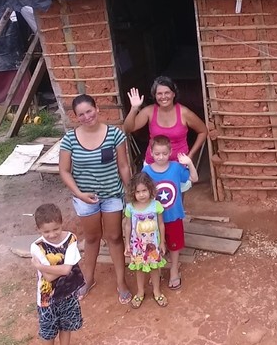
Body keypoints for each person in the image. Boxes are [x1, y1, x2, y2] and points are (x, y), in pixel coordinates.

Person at [58, 94, 132, 305]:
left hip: (112, 195)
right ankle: (88, 279)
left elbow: (124, 166)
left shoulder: (114, 135)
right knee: (92, 238)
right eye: (81, 114)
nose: (87, 116)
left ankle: (121, 281)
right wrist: (79, 194)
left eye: (89, 111)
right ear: (76, 117)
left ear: (97, 109)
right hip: (85, 198)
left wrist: (132, 191)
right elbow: (64, 171)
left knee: (115, 237)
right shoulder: (70, 139)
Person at [124, 76, 208, 189]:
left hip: (178, 165)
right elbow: (128, 128)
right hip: (153, 164)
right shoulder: (149, 111)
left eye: (167, 92)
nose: (163, 97)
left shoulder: (184, 113)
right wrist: (134, 109)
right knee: (153, 200)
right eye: (159, 93)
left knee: (176, 198)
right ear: (155, 95)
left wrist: (191, 154)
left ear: (173, 94)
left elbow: (203, 131)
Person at [30, 203, 84, 345]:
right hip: (47, 298)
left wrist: (40, 266)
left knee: (66, 326)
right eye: (46, 232)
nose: (52, 234)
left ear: (62, 223)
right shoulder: (36, 246)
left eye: (56, 229)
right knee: (48, 332)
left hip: (68, 294)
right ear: (39, 229)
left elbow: (66, 270)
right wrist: (57, 269)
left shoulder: (71, 239)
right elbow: (49, 278)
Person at [142, 135, 199, 291]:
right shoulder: (146, 171)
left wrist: (190, 163)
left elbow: (194, 178)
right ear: (151, 153)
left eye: (164, 154)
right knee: (154, 244)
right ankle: (157, 269)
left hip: (173, 215)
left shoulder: (176, 167)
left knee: (174, 245)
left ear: (170, 152)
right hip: (152, 218)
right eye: (157, 154)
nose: (161, 157)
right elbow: (140, 192)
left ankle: (174, 269)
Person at [123, 172, 168, 308]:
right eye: (138, 192)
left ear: (150, 189)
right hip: (137, 246)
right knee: (139, 269)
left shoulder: (156, 205)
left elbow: (161, 224)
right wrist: (127, 244)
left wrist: (162, 242)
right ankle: (140, 292)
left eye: (144, 190)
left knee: (155, 268)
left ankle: (156, 291)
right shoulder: (130, 207)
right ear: (133, 192)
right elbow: (128, 225)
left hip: (153, 245)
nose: (141, 194)